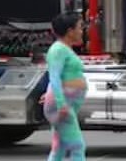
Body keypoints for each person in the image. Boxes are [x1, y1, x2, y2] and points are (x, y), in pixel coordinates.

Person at [43, 13, 88, 160]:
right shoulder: (58, 50)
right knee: (77, 145)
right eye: (80, 27)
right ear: (70, 31)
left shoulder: (64, 49)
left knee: (60, 146)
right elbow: (54, 76)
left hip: (64, 102)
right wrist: (61, 103)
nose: (82, 31)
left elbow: (59, 77)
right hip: (62, 105)